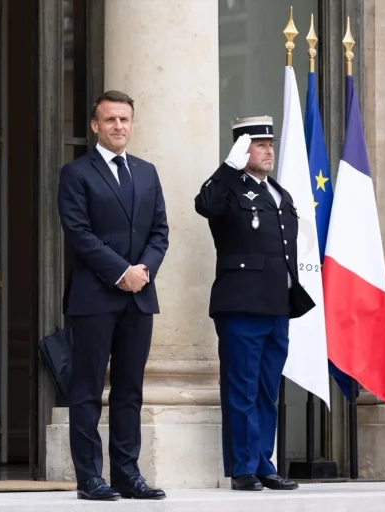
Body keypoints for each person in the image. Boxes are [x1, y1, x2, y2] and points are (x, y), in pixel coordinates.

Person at [58, 90, 169, 501]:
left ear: (132, 124)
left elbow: (160, 231)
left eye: (124, 119)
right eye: (110, 120)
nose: (118, 126)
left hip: (139, 297)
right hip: (94, 297)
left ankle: (126, 473)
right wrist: (120, 271)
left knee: (129, 390)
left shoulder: (147, 172)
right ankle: (89, 477)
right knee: (87, 390)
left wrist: (143, 272)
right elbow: (79, 234)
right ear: (94, 126)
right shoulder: (77, 174)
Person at [194, 116, 314, 492]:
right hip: (242, 304)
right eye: (259, 144)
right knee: (241, 387)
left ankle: (263, 461)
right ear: (242, 149)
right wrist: (228, 168)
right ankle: (242, 466)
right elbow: (205, 205)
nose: (268, 150)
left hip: (277, 303)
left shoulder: (279, 194)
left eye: (269, 144)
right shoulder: (228, 189)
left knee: (266, 389)